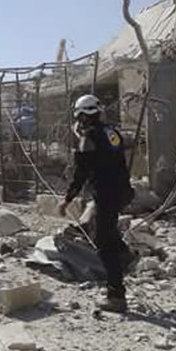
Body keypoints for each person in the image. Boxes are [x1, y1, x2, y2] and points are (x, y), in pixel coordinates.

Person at [58, 94, 136, 312]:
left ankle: (116, 296)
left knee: (103, 242)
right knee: (108, 231)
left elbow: (80, 174)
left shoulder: (88, 139)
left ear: (82, 116)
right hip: (122, 191)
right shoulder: (112, 132)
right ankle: (125, 255)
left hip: (106, 194)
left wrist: (67, 200)